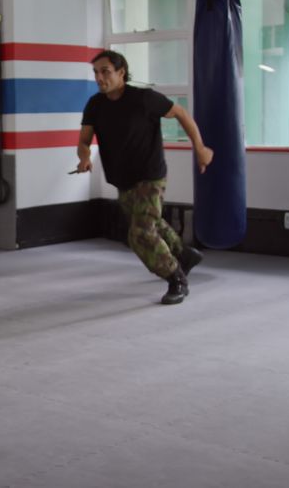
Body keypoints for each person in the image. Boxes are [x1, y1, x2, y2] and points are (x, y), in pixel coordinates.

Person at [76, 50, 214, 305]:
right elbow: (84, 141)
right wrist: (84, 157)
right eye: (95, 72)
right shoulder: (95, 105)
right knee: (151, 222)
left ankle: (176, 278)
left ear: (121, 73)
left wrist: (201, 148)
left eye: (105, 71)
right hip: (122, 179)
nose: (99, 77)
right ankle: (183, 254)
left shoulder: (144, 99)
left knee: (139, 234)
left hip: (150, 175)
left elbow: (181, 113)